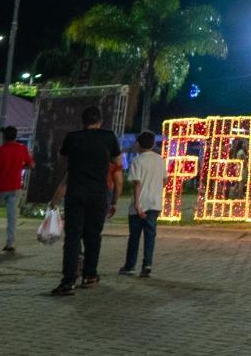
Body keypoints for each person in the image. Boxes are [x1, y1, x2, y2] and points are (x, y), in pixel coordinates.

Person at [50, 106, 123, 297]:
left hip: (75, 193)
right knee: (93, 236)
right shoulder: (108, 136)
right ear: (100, 121)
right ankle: (90, 275)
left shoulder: (72, 137)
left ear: (82, 122)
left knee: (72, 238)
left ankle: (68, 281)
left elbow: (61, 159)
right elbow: (118, 163)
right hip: (98, 194)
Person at [118, 131, 166, 278]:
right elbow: (164, 181)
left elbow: (136, 183)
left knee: (134, 236)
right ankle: (147, 265)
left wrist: (137, 205)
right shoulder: (160, 160)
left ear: (139, 144)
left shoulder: (137, 161)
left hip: (139, 204)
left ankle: (130, 266)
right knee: (150, 236)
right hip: (154, 203)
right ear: (153, 144)